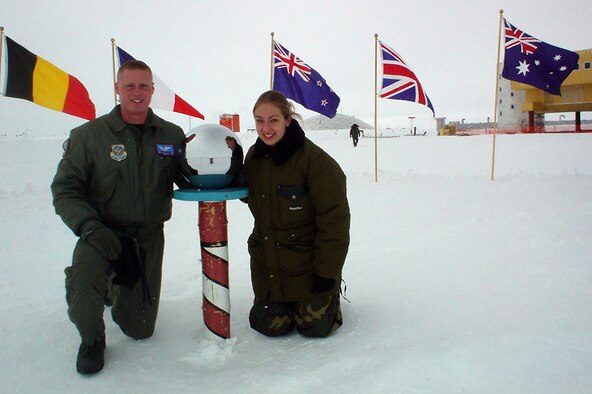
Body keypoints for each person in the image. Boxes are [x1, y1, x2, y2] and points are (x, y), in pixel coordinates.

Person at [51, 60, 191, 374]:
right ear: (117, 89)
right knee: (84, 291)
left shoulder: (171, 135)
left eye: (144, 85)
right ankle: (91, 338)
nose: (137, 92)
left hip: (147, 236)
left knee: (139, 329)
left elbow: (189, 177)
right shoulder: (89, 136)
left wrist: (221, 162)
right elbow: (65, 188)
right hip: (101, 232)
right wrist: (88, 227)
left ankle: (115, 287)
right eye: (129, 85)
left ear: (153, 90)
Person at [243, 90, 350, 338]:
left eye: (274, 120)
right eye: (260, 120)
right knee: (269, 326)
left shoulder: (316, 162)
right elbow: (247, 192)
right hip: (270, 265)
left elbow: (335, 223)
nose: (266, 128)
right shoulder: (254, 158)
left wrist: (327, 274)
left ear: (288, 120)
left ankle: (327, 297)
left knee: (314, 328)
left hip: (309, 267)